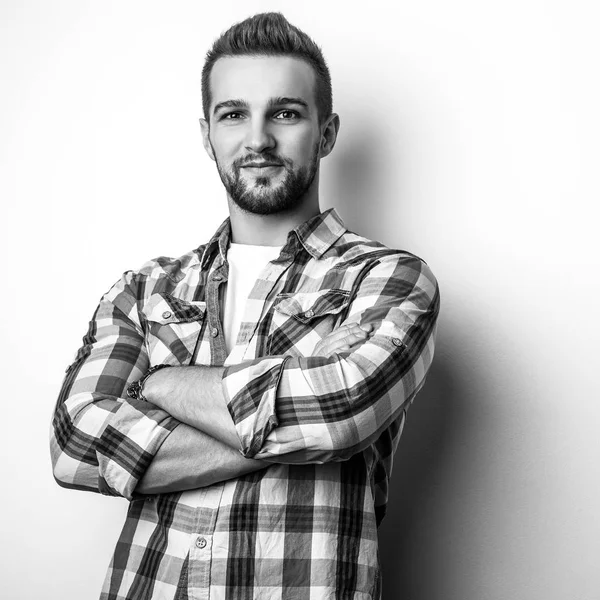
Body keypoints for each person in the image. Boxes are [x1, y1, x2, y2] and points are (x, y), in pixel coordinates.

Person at [50, 12, 440, 600]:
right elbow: (75, 447)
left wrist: (158, 385)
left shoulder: (388, 279)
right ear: (207, 134)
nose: (258, 139)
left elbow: (338, 412)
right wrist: (294, 396)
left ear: (327, 132)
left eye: (285, 113)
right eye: (233, 114)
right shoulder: (145, 290)